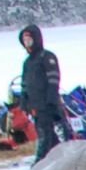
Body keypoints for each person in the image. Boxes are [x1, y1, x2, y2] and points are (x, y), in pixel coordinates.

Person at [20, 24, 70, 158]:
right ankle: (55, 159)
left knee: (49, 136)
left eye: (29, 40)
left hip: (48, 105)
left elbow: (54, 80)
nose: (27, 43)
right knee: (47, 136)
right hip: (36, 107)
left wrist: (51, 100)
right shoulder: (27, 62)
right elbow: (24, 84)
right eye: (25, 41)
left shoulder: (47, 57)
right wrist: (24, 101)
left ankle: (41, 161)